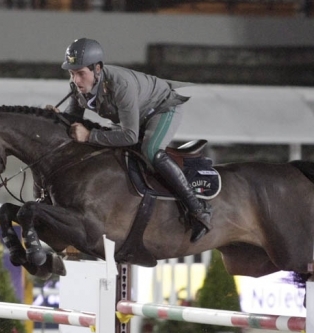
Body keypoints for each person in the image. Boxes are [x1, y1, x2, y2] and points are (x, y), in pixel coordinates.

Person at [53, 38, 212, 243]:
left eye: (81, 73)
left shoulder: (121, 84)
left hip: (162, 109)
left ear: (97, 69)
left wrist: (90, 136)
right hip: (136, 117)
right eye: (72, 73)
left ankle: (198, 210)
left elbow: (129, 135)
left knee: (151, 150)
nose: (76, 80)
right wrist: (56, 119)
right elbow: (74, 121)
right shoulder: (78, 86)